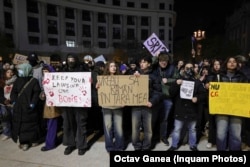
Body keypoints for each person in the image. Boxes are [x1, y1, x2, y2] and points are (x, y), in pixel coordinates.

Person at [167, 61, 207, 151]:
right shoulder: (178, 80)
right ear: (183, 69)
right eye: (187, 68)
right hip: (180, 109)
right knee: (177, 129)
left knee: (192, 129)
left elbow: (203, 94)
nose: (189, 70)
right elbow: (171, 93)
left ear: (194, 69)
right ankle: (174, 145)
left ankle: (192, 145)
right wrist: (176, 84)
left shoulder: (197, 82)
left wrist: (197, 98)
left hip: (192, 110)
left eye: (191, 68)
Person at [214, 56, 248, 151]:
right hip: (221, 109)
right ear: (226, 64)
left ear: (237, 64)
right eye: (229, 61)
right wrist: (209, 86)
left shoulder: (242, 77)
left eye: (234, 61)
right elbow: (213, 89)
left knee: (236, 135)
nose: (232, 63)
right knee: (221, 134)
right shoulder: (219, 76)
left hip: (237, 110)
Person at [59, 53, 89, 155]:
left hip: (80, 103)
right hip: (66, 103)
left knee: (81, 123)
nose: (70, 61)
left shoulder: (82, 69)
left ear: (76, 59)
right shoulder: (63, 71)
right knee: (67, 123)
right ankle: (70, 144)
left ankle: (81, 146)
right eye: (69, 59)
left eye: (72, 59)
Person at [131, 55, 162, 151]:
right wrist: (133, 78)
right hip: (136, 106)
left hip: (147, 106)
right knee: (135, 128)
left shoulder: (154, 76)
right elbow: (128, 88)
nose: (142, 64)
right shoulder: (134, 74)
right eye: (140, 62)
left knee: (148, 129)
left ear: (149, 64)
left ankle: (146, 147)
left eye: (144, 62)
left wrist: (152, 102)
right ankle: (136, 145)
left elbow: (158, 92)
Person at [10, 63, 42, 151]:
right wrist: (14, 101)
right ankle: (24, 142)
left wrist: (33, 103)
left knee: (30, 125)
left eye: (21, 69)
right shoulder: (18, 80)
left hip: (29, 108)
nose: (19, 71)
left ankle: (32, 140)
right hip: (19, 108)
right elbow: (14, 92)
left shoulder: (34, 81)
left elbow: (36, 93)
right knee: (21, 126)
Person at [96, 60, 125, 152]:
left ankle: (119, 147)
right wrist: (98, 87)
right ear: (107, 68)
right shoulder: (102, 79)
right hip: (106, 107)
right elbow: (101, 93)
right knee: (108, 128)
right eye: (111, 66)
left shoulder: (121, 78)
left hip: (118, 107)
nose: (114, 68)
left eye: (115, 66)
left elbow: (126, 91)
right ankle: (109, 147)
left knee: (119, 128)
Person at [152, 52, 176, 145]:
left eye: (165, 60)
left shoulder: (172, 68)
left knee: (164, 119)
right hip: (155, 96)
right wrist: (155, 56)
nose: (163, 62)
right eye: (161, 60)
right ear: (159, 61)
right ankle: (154, 136)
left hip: (167, 97)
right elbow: (151, 62)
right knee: (154, 118)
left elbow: (178, 79)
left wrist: (168, 80)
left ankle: (163, 137)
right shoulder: (154, 68)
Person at [40, 64, 62, 151]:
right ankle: (53, 141)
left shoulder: (54, 80)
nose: (45, 73)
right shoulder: (45, 80)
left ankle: (50, 144)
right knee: (51, 124)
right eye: (43, 72)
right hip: (48, 105)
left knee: (51, 125)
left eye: (46, 71)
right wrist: (42, 95)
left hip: (53, 106)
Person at [204, 58, 222, 148]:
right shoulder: (209, 76)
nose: (216, 66)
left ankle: (220, 141)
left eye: (218, 64)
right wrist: (206, 85)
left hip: (222, 103)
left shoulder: (224, 75)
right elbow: (206, 85)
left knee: (221, 123)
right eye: (215, 64)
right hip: (212, 102)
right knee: (211, 122)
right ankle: (211, 140)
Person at [0, 68, 17, 141]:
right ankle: (7, 133)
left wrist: (12, 99)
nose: (10, 73)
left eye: (11, 72)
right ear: (5, 73)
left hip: (13, 103)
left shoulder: (16, 82)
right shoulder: (2, 82)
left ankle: (15, 132)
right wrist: (4, 100)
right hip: (4, 104)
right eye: (8, 72)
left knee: (14, 118)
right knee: (5, 119)